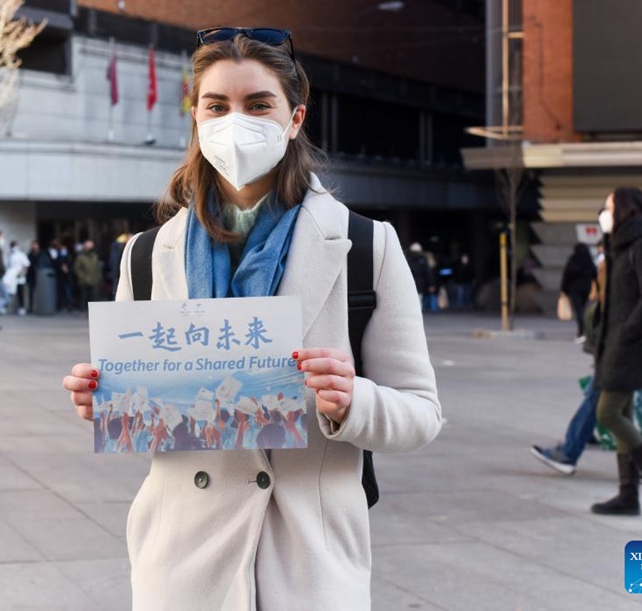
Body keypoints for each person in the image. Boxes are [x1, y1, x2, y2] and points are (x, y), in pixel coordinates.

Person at [62, 28, 441, 611]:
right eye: (217, 105)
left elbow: (420, 414)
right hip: (184, 565)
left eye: (258, 104)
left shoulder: (368, 246)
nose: (235, 121)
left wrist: (352, 400)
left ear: (294, 118)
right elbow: (161, 426)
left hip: (309, 566)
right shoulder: (145, 255)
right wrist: (111, 398)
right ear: (196, 116)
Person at [589, 186, 642, 515]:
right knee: (621, 414)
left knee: (607, 413)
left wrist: (626, 333)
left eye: (609, 205)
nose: (604, 212)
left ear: (624, 208)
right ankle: (628, 495)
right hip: (617, 343)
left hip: (632, 346)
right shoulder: (621, 245)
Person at [560, 243, 597, 342]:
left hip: (574, 289)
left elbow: (567, 275)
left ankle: (581, 331)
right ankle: (583, 330)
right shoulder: (588, 261)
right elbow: (595, 274)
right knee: (582, 309)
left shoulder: (573, 260)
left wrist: (564, 290)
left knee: (579, 310)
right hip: (586, 287)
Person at [4, 240, 31, 315]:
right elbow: (7, 266)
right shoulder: (9, 255)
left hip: (19, 276)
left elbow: (26, 264)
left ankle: (21, 307)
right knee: (10, 292)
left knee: (20, 292)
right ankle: (5, 307)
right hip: (11, 277)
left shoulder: (21, 254)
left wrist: (22, 273)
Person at [73, 239, 103, 306]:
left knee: (95, 297)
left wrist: (99, 277)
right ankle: (83, 310)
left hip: (94, 280)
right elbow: (77, 268)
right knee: (83, 297)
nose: (91, 247)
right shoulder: (80, 256)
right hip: (84, 281)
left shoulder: (95, 256)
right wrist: (83, 277)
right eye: (89, 246)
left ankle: (94, 311)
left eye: (91, 246)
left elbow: (98, 268)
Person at [406, 242, 433, 311]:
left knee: (410, 300)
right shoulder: (423, 260)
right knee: (419, 300)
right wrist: (431, 284)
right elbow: (427, 272)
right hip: (420, 283)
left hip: (409, 283)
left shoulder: (408, 259)